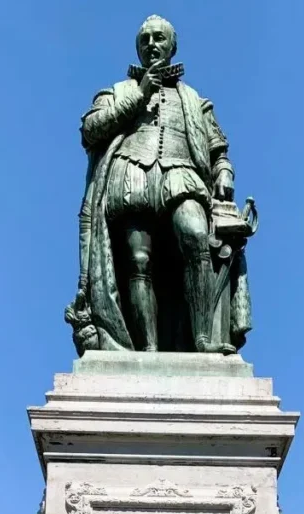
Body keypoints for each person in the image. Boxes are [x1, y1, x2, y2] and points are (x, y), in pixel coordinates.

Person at [65, 15, 252, 356]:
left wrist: (224, 173)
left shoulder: (195, 100)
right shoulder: (116, 91)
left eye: (159, 38)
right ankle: (147, 349)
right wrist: (138, 95)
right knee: (138, 260)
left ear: (172, 46)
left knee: (195, 235)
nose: (151, 44)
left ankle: (202, 338)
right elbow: (90, 130)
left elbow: (218, 151)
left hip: (181, 173)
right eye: (145, 39)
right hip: (131, 175)